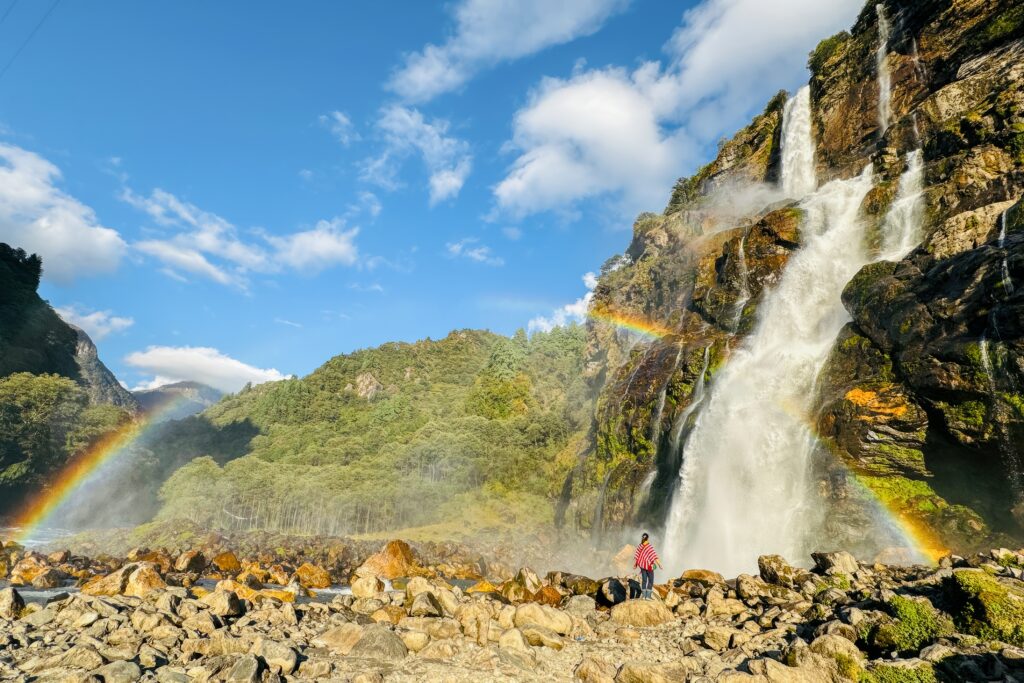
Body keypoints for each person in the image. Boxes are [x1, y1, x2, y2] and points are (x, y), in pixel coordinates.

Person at [633, 532, 662, 600]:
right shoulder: (649, 546)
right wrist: (659, 564)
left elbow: (637, 556)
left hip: (642, 565)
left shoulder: (640, 546)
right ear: (647, 538)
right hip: (649, 566)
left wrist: (635, 564)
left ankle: (643, 596)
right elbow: (654, 556)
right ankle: (648, 596)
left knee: (644, 580)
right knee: (651, 581)